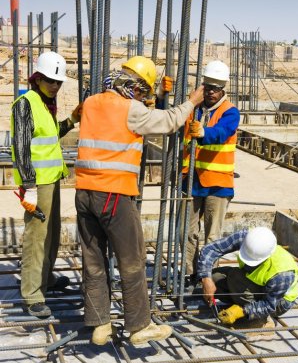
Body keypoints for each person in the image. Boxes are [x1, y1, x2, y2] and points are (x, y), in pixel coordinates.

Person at [74, 55, 204, 346]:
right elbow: (168, 121)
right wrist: (191, 102)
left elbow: (131, 119)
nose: (144, 97)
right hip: (114, 195)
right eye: (144, 91)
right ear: (137, 87)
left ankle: (100, 324)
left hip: (83, 194)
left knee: (93, 261)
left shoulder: (92, 102)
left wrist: (157, 97)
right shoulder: (130, 108)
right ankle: (138, 327)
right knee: (131, 260)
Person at [11, 51, 83, 317]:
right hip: (36, 184)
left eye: (59, 82)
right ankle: (31, 294)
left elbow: (51, 135)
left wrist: (72, 120)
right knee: (36, 239)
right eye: (51, 80)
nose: (55, 85)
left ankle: (46, 278)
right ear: (38, 78)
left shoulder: (45, 104)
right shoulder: (25, 103)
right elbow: (19, 147)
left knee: (51, 236)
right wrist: (28, 187)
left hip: (51, 181)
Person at [182, 60, 240, 283]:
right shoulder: (192, 107)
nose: (211, 92)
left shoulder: (230, 112)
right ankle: (190, 273)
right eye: (207, 87)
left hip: (218, 184)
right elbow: (172, 119)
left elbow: (222, 132)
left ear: (223, 89)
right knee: (185, 233)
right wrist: (160, 98)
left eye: (215, 89)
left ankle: (208, 277)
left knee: (212, 237)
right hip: (191, 181)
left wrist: (203, 132)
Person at [197, 227, 298, 329]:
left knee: (235, 278)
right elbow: (210, 249)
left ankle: (259, 321)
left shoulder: (282, 273)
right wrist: (206, 279)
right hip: (255, 286)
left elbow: (269, 305)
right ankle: (244, 305)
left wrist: (242, 311)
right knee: (215, 278)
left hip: (278, 303)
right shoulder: (247, 238)